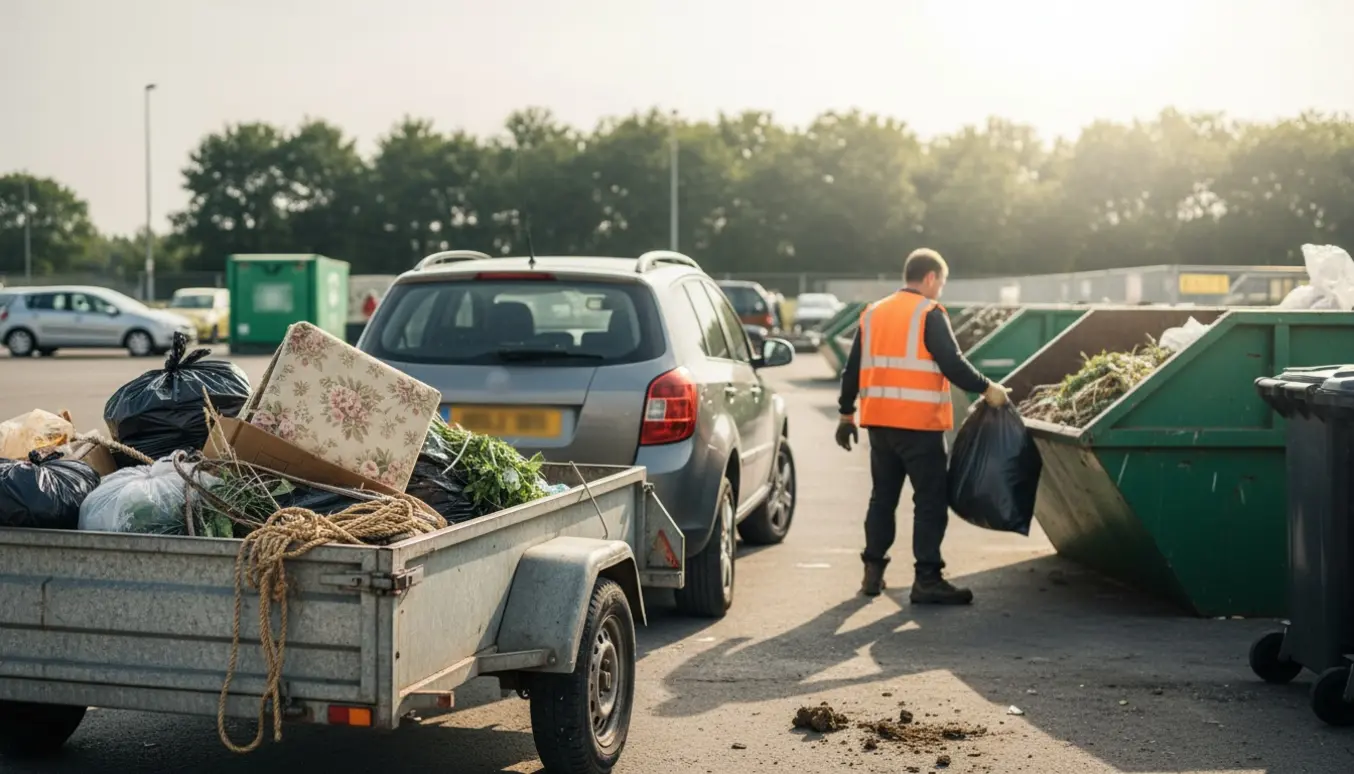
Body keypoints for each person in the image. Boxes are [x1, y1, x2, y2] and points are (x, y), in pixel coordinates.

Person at [835, 248, 1010, 604]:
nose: (940, 290)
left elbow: (851, 369)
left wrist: (845, 414)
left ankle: (873, 572)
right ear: (930, 278)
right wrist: (986, 388)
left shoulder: (872, 313)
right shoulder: (929, 313)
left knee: (881, 498)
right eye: (941, 283)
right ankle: (927, 578)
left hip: (879, 426)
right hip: (919, 426)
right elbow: (953, 363)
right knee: (929, 501)